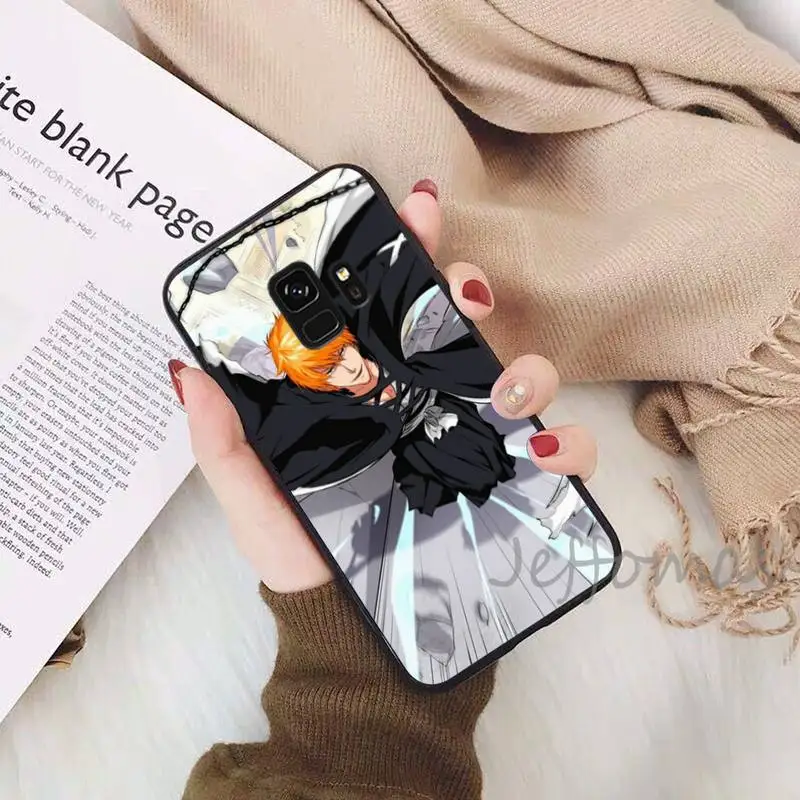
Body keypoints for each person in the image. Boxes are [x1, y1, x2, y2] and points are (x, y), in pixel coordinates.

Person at [167, 179, 598, 799]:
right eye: (330, 370)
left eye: (343, 353)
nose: (350, 367)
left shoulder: (400, 356)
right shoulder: (340, 434)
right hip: (434, 497)